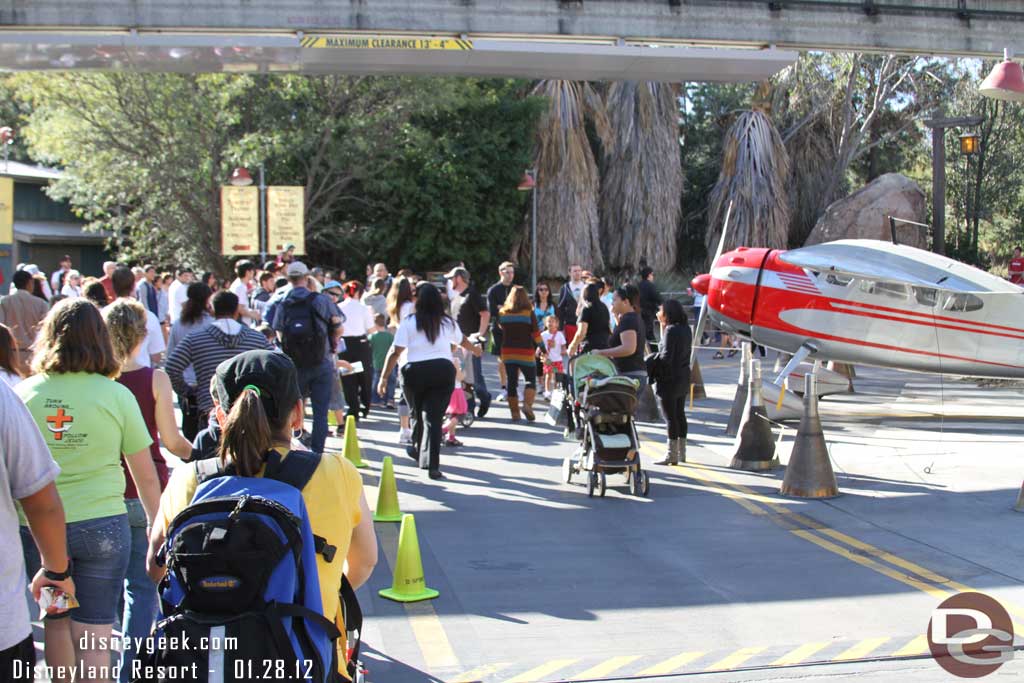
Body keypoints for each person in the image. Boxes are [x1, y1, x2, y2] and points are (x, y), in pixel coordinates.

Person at [145, 350, 378, 677]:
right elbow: (365, 560)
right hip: (303, 659)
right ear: (297, 413)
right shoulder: (337, 473)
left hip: (208, 661)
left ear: (221, 416)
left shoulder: (190, 478)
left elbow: (155, 568)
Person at [16, 298, 161, 680]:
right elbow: (145, 474)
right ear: (101, 340)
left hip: (39, 532)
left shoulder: (24, 394)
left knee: (56, 616)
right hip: (103, 527)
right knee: (97, 627)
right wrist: (155, 525)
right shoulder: (117, 396)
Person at [103, 300, 191, 682]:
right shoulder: (154, 379)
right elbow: (171, 442)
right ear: (143, 334)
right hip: (145, 492)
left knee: (100, 594)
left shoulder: (97, 379)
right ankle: (131, 672)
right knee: (141, 590)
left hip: (101, 493)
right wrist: (202, 452)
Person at [1, 379, 72, 682]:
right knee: (71, 621)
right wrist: (57, 573)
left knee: (56, 622)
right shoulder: (4, 395)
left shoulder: (28, 389)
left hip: (43, 536)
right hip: (78, 534)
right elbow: (43, 502)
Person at [378, 282, 480, 479]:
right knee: (433, 418)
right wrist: (476, 350)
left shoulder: (409, 321)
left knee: (417, 413)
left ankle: (417, 450)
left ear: (419, 301)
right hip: (442, 371)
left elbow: (395, 351)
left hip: (414, 372)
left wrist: (383, 377)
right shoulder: (447, 322)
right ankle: (432, 464)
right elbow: (463, 341)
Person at [167, 290, 273, 430]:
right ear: (237, 311)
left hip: (211, 409)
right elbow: (277, 363)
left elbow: (171, 367)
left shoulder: (195, 339)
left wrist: (189, 392)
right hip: (250, 411)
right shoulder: (256, 338)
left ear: (212, 309)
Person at [271, 262, 344, 455]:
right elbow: (337, 326)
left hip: (294, 365)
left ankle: (291, 448)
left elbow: (278, 332)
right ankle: (317, 453)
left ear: (289, 279)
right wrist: (332, 343)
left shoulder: (283, 302)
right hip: (321, 361)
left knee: (291, 409)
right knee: (320, 412)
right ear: (306, 277)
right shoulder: (321, 300)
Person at [167, 282, 212, 441]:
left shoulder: (179, 324)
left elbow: (171, 356)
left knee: (190, 429)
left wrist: (182, 389)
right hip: (207, 383)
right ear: (208, 299)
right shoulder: (211, 324)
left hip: (185, 384)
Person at [446, 266, 492, 418]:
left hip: (472, 344)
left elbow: (485, 314)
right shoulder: (456, 296)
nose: (450, 281)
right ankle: (468, 409)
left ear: (458, 278)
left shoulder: (472, 294)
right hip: (459, 343)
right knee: (463, 378)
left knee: (475, 379)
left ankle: (485, 398)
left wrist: (480, 333)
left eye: (452, 278)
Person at [650, 300, 692, 465]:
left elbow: (666, 356)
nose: (658, 313)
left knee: (670, 418)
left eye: (661, 310)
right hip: (682, 376)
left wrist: (654, 365)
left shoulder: (671, 331)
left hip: (669, 379)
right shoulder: (685, 329)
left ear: (667, 313)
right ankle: (682, 452)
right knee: (680, 414)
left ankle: (671, 454)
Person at [106, 266, 166, 368]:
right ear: (134, 285)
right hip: (141, 373)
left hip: (112, 374)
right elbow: (156, 356)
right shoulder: (148, 316)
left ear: (113, 285)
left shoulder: (103, 313)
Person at [497, 286, 542, 422]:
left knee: (512, 381)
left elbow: (499, 328)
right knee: (530, 379)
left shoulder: (503, 313)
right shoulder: (529, 313)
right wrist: (543, 349)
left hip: (508, 352)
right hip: (526, 352)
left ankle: (514, 413)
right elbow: (535, 334)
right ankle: (527, 406)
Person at [592, 284, 648, 390]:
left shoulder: (628, 319)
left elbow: (629, 348)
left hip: (630, 376)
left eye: (614, 300)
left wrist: (601, 353)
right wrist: (616, 318)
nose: (612, 303)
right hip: (632, 374)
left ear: (625, 302)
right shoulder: (632, 318)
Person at [338, 280, 378, 421]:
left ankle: (352, 408)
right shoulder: (364, 308)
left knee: (348, 377)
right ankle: (365, 405)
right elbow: (372, 329)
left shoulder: (339, 307)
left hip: (344, 345)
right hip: (360, 344)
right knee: (364, 376)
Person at [0, 270, 49, 372]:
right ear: (30, 282)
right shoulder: (41, 304)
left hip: (10, 354)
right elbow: (46, 330)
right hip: (33, 354)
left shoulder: (4, 302)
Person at [386, 276, 416, 444]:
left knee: (403, 392)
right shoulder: (410, 307)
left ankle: (404, 428)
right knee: (412, 392)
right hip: (412, 349)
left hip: (400, 350)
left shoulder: (394, 307)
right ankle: (410, 428)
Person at [486, 262, 516, 401]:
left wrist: (502, 307)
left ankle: (513, 387)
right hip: (498, 329)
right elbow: (492, 311)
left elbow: (519, 309)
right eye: (507, 272)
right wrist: (506, 308)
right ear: (500, 272)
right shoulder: (493, 290)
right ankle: (503, 388)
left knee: (516, 359)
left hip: (515, 329)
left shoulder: (516, 289)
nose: (510, 275)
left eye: (512, 272)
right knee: (502, 360)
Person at [566, 282, 611, 356]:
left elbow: (581, 332)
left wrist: (572, 346)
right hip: (604, 347)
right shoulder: (604, 307)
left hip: (590, 348)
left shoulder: (586, 308)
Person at [369, 314, 396, 409]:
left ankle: (376, 399)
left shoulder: (372, 337)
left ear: (375, 323)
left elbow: (370, 349)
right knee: (391, 382)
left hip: (377, 363)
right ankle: (390, 400)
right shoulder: (390, 336)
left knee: (376, 381)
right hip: (390, 364)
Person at [443, 356, 468, 447]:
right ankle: (443, 430)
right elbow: (459, 377)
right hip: (455, 390)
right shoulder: (454, 359)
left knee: (452, 414)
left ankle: (451, 438)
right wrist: (463, 373)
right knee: (461, 413)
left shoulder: (439, 357)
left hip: (446, 389)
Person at [556, 264, 585, 343]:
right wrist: (561, 329)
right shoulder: (565, 288)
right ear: (570, 273)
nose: (578, 273)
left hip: (585, 325)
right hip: (570, 325)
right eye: (575, 271)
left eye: (579, 271)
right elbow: (560, 309)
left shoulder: (587, 287)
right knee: (571, 351)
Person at [540, 315, 566, 399]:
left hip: (558, 359)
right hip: (548, 359)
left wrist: (563, 351)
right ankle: (547, 391)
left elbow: (563, 345)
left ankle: (555, 391)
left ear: (557, 324)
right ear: (545, 324)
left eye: (553, 321)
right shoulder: (543, 334)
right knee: (548, 375)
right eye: (548, 321)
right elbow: (540, 345)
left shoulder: (560, 335)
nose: (550, 323)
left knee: (557, 376)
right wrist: (538, 351)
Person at [228, 259, 261, 326]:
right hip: (241, 325)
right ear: (247, 272)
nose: (253, 272)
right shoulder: (240, 287)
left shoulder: (241, 285)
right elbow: (238, 308)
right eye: (252, 270)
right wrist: (253, 315)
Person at [637, 266, 662, 346]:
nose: (653, 276)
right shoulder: (650, 285)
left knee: (640, 332)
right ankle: (655, 351)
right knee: (649, 333)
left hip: (638, 311)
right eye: (652, 274)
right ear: (649, 275)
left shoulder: (638, 285)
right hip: (648, 312)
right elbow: (657, 297)